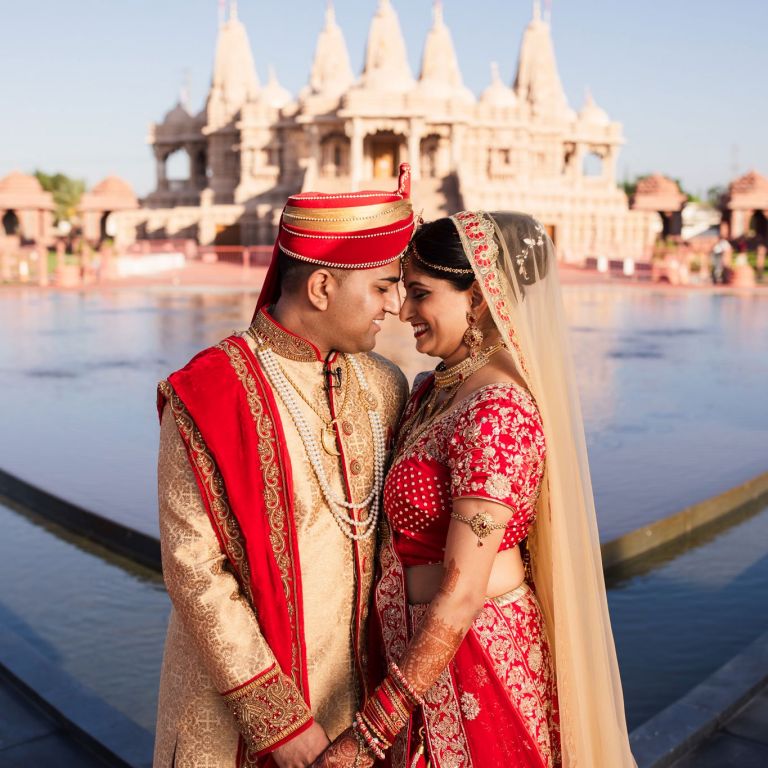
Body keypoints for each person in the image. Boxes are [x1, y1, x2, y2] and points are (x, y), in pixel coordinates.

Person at [315, 211, 635, 767]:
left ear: (478, 299)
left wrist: (368, 736)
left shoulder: (496, 412)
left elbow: (462, 595)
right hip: (418, 661)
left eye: (420, 293)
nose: (403, 311)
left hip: (474, 662)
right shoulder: (434, 391)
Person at [153, 166, 414, 767]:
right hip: (233, 719)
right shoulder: (209, 393)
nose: (395, 306)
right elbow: (195, 571)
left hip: (358, 718)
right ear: (321, 288)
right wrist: (280, 721)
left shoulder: (382, 385)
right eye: (381, 287)